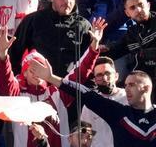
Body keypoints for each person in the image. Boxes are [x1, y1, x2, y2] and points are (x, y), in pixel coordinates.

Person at [0, 17, 104, 147]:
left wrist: (94, 46)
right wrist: (3, 54)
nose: (36, 73)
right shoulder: (17, 96)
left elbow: (80, 73)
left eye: (40, 69)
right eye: (32, 70)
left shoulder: (57, 93)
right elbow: (6, 80)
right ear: (24, 73)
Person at [28, 59, 156, 147]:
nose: (127, 88)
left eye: (132, 85)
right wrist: (51, 78)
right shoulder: (119, 113)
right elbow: (87, 95)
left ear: (146, 88)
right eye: (126, 85)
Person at [9, 0, 93, 75]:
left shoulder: (84, 26)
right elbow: (14, 55)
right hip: (38, 85)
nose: (67, 1)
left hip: (68, 86)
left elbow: (89, 63)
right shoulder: (33, 20)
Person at [105, 0, 156, 78]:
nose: (138, 10)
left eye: (141, 5)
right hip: (138, 81)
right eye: (132, 7)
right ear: (127, 13)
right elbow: (115, 49)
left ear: (148, 5)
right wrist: (100, 47)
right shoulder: (131, 32)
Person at [79, 57, 127, 147]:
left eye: (107, 73)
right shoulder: (90, 104)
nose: (104, 78)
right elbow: (85, 135)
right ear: (95, 79)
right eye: (99, 75)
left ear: (116, 76)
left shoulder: (128, 98)